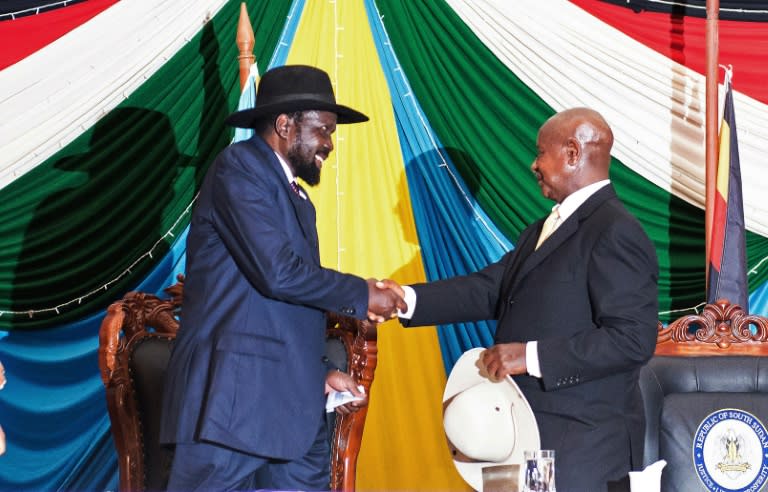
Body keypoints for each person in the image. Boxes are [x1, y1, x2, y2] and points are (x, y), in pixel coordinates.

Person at [159, 64, 404, 492]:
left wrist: (319, 369)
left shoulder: (296, 195)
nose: (330, 144)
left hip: (292, 408)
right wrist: (361, 293)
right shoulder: (240, 168)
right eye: (324, 130)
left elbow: (285, 303)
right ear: (285, 125)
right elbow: (278, 273)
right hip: (230, 410)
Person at [389, 108, 659, 492]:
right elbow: (489, 288)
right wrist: (404, 299)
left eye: (540, 153)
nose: (533, 164)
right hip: (522, 440)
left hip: (581, 451)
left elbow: (632, 339)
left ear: (571, 152)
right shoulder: (541, 229)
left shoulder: (616, 231)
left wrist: (528, 356)